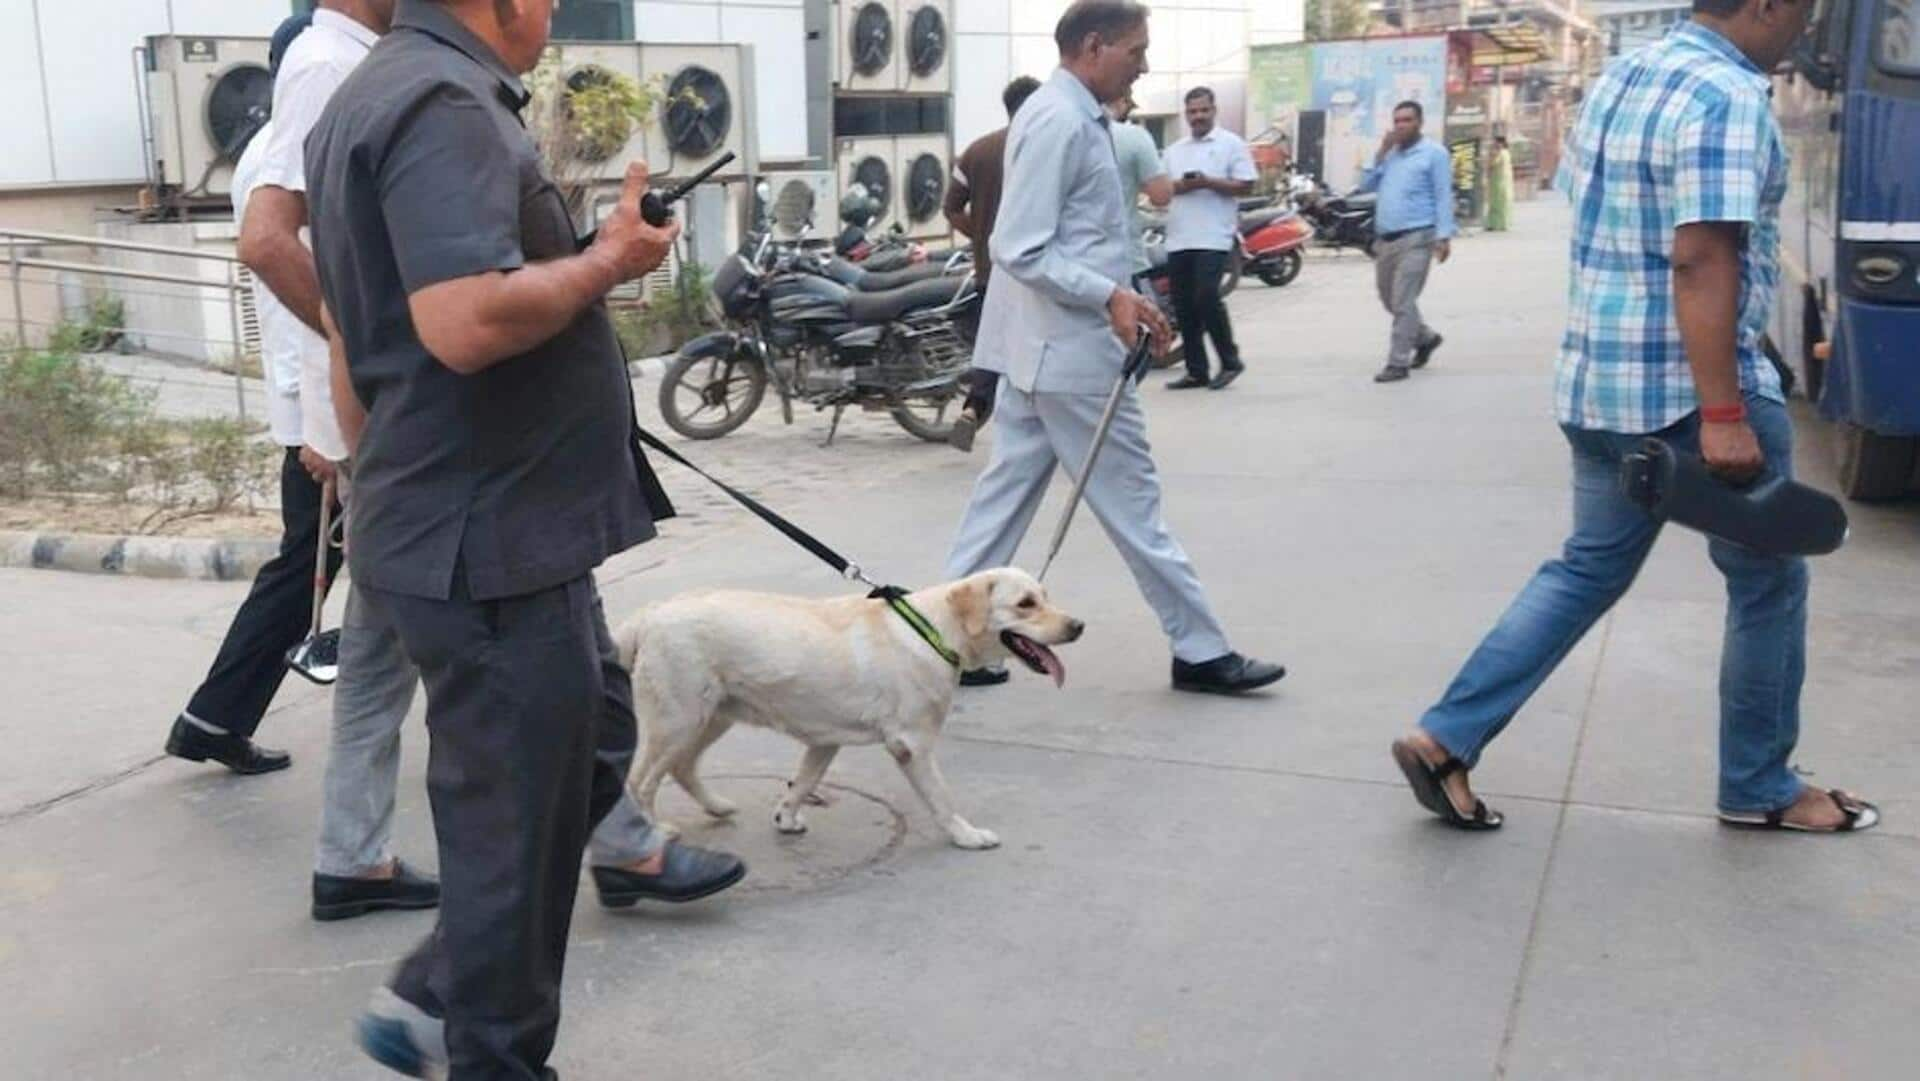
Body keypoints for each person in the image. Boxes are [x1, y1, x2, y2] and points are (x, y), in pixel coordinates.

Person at [304, 1, 746, 1077]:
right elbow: (464, 318)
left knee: (577, 756)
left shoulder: (376, 92)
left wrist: (381, 483)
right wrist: (609, 260)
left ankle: (437, 992)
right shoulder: (441, 101)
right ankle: (490, 1051)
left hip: (481, 530)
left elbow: (358, 334)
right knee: (513, 844)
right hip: (487, 541)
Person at [1390, 0, 1879, 835]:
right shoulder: (1725, 94)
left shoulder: (1623, 76)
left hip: (1597, 383)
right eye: (1802, 9)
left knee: (1586, 569)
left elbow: (1597, 218)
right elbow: (1701, 254)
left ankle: (1446, 736)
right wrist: (1724, 411)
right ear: (1763, 4)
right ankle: (1760, 784)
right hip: (1690, 394)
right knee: (1769, 580)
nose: (1805, 27)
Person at [944, 0, 1285, 696]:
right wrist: (1109, 296)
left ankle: (948, 642)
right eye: (1136, 51)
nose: (1145, 63)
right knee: (1135, 507)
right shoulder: (1059, 120)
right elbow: (1017, 245)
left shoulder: (1078, 118)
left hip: (1043, 353)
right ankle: (1201, 648)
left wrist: (1124, 295)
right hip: (1069, 357)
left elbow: (1081, 240)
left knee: (1001, 501)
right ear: (1093, 47)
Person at [159, 11, 344, 778]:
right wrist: (318, 425)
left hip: (314, 404)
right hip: (320, 409)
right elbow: (306, 304)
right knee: (308, 565)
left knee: (318, 563)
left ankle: (215, 715)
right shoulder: (292, 159)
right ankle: (214, 714)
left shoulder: (266, 156)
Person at [944, 74, 1043, 453]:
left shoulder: (977, 150)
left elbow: (951, 207)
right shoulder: (1041, 147)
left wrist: (982, 236)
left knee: (993, 343)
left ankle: (974, 407)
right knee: (1033, 347)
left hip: (991, 270)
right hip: (1039, 272)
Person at [1159, 86, 1257, 391]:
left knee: (1206, 297)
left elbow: (1246, 185)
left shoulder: (1231, 145)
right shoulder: (1175, 150)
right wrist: (1183, 186)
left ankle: (1230, 361)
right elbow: (1162, 189)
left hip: (1213, 237)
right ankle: (1195, 369)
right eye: (1192, 112)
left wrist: (1209, 182)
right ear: (1186, 114)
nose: (1198, 116)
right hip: (1179, 237)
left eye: (1203, 110)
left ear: (1214, 111)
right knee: (1183, 305)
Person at [1356, 100, 1454, 384]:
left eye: (1407, 120)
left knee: (1403, 300)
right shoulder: (1391, 155)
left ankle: (1397, 363)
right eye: (1397, 120)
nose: (1401, 125)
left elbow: (1442, 195)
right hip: (1386, 239)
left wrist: (1443, 236)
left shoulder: (1434, 154)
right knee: (1388, 298)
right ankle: (1425, 338)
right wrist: (1381, 151)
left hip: (1418, 237)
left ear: (1420, 123)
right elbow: (1364, 186)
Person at [1110, 93, 1173, 277]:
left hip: (1075, 266)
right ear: (1121, 101)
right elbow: (1161, 196)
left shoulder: (1065, 133)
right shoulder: (1134, 137)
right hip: (1126, 259)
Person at [1485, 135, 1514, 232]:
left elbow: (1492, 164)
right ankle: (1502, 224)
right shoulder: (1506, 153)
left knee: (1496, 203)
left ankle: (1494, 224)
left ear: (1500, 143)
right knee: (1502, 203)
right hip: (1503, 181)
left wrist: (1491, 156)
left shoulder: (1500, 153)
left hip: (1498, 181)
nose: (1494, 144)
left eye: (1495, 142)